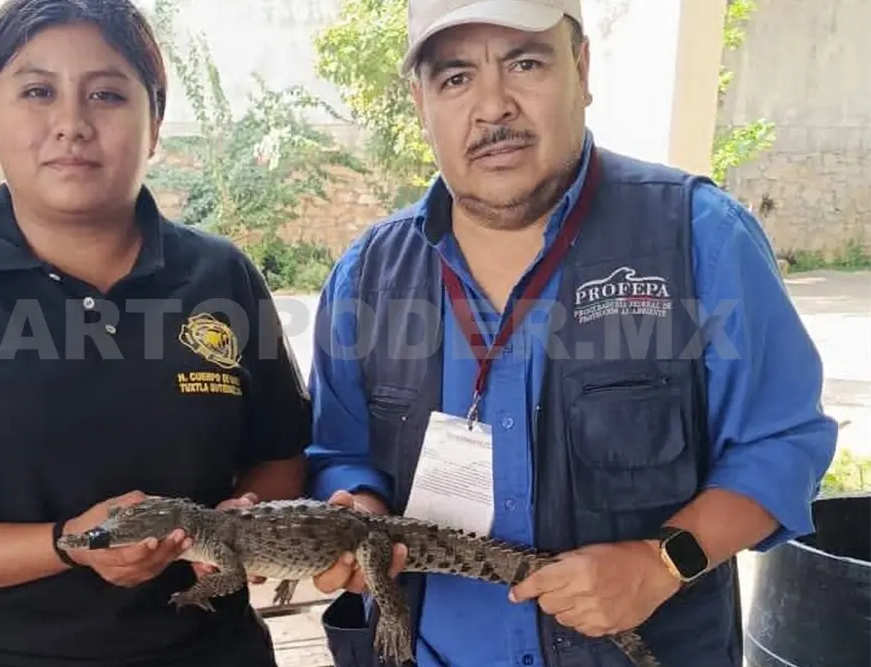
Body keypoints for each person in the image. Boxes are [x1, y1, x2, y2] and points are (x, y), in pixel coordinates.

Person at [305, 1, 838, 666]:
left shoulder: (699, 237)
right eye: (455, 78)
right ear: (422, 104)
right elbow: (338, 450)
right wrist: (355, 507)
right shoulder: (366, 276)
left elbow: (780, 444)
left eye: (525, 63)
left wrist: (662, 560)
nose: (492, 107)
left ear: (581, 71)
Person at [0, 1, 311, 666]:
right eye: (37, 92)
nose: (71, 124)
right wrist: (68, 543)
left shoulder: (220, 275)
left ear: (154, 125)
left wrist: (237, 522)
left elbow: (280, 455)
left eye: (107, 94)